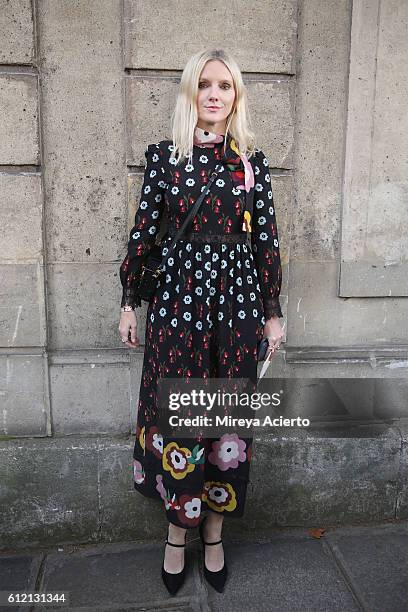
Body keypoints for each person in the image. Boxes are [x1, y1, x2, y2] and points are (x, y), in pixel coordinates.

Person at [118, 48, 284, 596]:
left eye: (226, 86)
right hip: (179, 308)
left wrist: (273, 312)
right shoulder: (165, 158)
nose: (215, 94)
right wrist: (128, 300)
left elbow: (266, 242)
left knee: (225, 420)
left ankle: (212, 534)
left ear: (236, 97)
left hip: (235, 310)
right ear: (191, 92)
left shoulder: (251, 165)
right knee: (180, 420)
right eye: (205, 84)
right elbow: (145, 234)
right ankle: (175, 534)